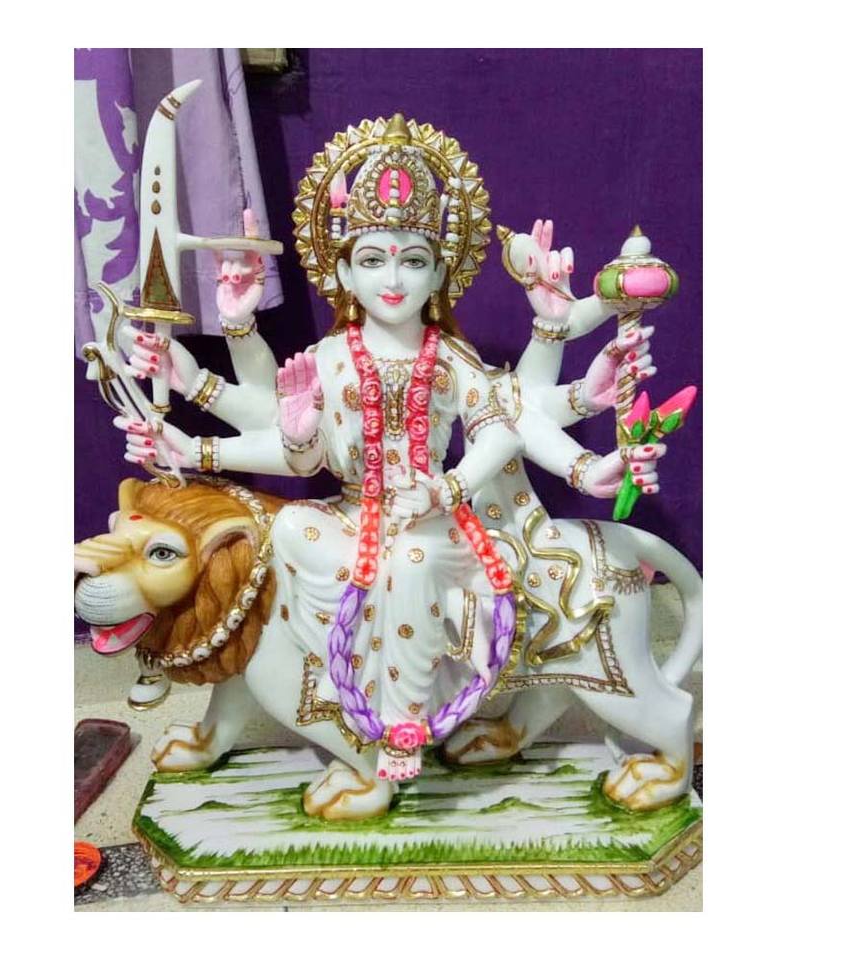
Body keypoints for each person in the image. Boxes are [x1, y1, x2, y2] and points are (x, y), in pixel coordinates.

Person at [112, 114, 663, 787]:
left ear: (439, 276)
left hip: (434, 521)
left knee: (409, 561)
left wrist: (450, 488)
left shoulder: (450, 358)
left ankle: (403, 724)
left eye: (413, 261)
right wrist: (266, 427)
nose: (392, 279)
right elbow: (300, 457)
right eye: (372, 260)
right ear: (345, 271)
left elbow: (501, 430)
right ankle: (326, 691)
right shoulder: (329, 357)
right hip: (350, 516)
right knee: (282, 530)